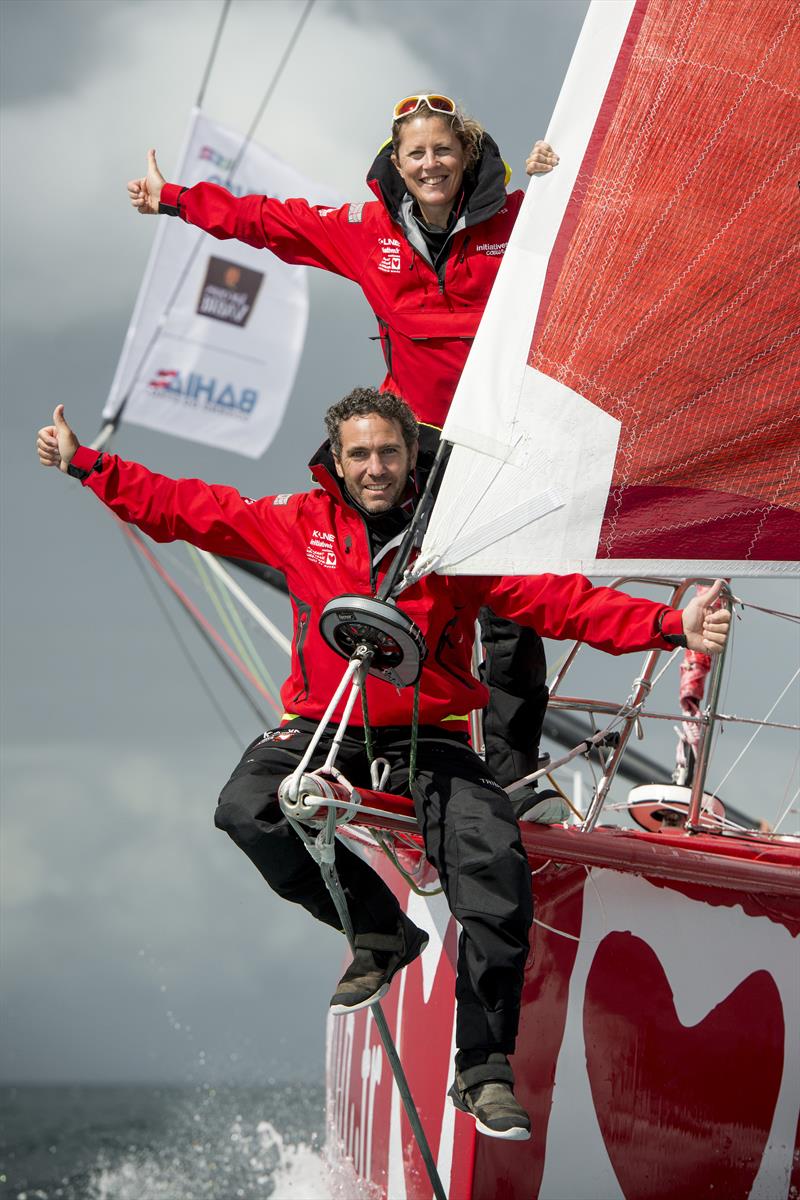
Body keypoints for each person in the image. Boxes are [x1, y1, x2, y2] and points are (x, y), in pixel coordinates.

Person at [36, 389, 731, 1141]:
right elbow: (186, 508)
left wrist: (671, 623)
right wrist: (87, 465)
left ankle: (484, 1067)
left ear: (411, 459)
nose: (376, 468)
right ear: (336, 461)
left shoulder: (455, 543)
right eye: (360, 455)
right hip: (320, 725)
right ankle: (380, 931)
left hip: (427, 737)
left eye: (389, 454)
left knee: (493, 864)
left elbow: (553, 600)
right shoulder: (297, 524)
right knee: (245, 808)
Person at [126, 93, 560, 812]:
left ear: (467, 156)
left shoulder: (516, 220)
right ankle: (376, 754)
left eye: (443, 151)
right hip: (416, 445)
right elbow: (274, 225)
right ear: (397, 163)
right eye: (416, 153)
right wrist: (175, 199)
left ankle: (511, 776)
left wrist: (555, 172)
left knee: (512, 615)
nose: (431, 164)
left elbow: (592, 218)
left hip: (502, 445)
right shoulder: (368, 230)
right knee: (391, 592)